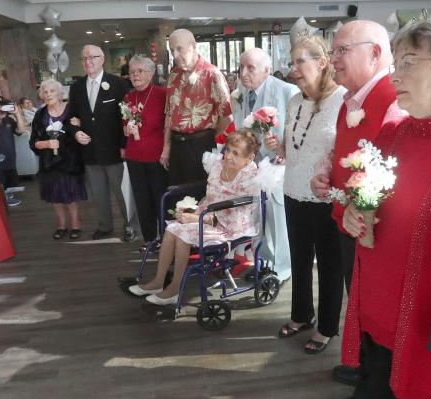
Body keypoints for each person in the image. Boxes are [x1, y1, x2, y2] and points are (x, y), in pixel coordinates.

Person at [340, 12, 431, 399]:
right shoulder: (393, 131)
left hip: (429, 324)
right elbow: (367, 199)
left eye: (408, 63)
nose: (394, 76)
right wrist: (356, 213)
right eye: (395, 63)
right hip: (375, 308)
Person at [308, 20, 399, 388]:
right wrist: (326, 173)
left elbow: (394, 169)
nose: (334, 60)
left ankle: (373, 376)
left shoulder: (392, 98)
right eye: (334, 51)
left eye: (342, 51)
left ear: (375, 53)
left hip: (373, 228)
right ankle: (364, 365)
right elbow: (349, 154)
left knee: (373, 304)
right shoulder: (353, 99)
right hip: (349, 220)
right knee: (357, 296)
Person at [265, 36, 346, 354]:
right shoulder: (295, 101)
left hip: (325, 196)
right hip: (293, 190)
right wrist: (280, 148)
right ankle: (301, 315)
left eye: (300, 61)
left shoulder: (342, 100)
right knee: (299, 258)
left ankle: (327, 328)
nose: (293, 68)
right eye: (292, 62)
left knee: (329, 264)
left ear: (322, 62)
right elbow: (296, 147)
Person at [129, 131, 260, 304]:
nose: (228, 156)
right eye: (228, 150)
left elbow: (233, 217)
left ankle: (175, 289)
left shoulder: (248, 178)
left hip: (231, 226)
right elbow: (210, 198)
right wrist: (192, 212)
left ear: (248, 159)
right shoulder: (219, 166)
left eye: (236, 154)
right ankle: (158, 282)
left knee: (183, 236)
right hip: (208, 215)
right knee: (171, 229)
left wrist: (197, 219)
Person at [232, 48, 299, 280]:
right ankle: (263, 262)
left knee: (277, 217)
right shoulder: (240, 92)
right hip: (253, 166)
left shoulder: (287, 91)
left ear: (267, 70)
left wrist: (283, 148)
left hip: (278, 165)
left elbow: (298, 129)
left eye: (250, 68)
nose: (243, 73)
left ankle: (282, 267)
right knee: (258, 216)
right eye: (241, 67)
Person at [66, 44, 134, 240]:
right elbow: (71, 117)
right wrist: (76, 132)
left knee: (122, 193)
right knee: (98, 194)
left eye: (92, 57)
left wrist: (124, 145)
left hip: (114, 150)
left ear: (102, 59)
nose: (88, 62)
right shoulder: (77, 87)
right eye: (84, 58)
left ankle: (130, 226)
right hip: (89, 151)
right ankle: (105, 226)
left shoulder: (119, 84)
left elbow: (127, 117)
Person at [162, 28, 232, 185]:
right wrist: (166, 147)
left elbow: (227, 117)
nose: (175, 55)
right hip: (176, 145)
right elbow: (169, 113)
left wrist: (208, 136)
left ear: (194, 46)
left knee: (200, 196)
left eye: (179, 49)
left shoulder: (212, 74)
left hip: (201, 145)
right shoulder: (174, 74)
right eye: (172, 50)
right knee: (177, 195)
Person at [30, 79, 87, 240]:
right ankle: (61, 224)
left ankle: (76, 224)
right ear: (42, 95)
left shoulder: (71, 110)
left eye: (52, 91)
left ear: (60, 93)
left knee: (71, 195)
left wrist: (81, 124)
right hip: (49, 162)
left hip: (70, 160)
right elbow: (33, 141)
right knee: (55, 195)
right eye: (45, 92)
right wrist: (46, 143)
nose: (48, 95)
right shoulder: (40, 114)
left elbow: (84, 129)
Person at [121, 56, 168, 243]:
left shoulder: (162, 94)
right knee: (142, 201)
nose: (135, 75)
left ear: (151, 73)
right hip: (134, 156)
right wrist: (127, 129)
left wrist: (167, 150)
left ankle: (166, 240)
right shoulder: (128, 97)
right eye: (132, 72)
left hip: (157, 156)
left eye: (140, 71)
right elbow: (124, 127)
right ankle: (150, 240)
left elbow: (168, 127)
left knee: (160, 200)